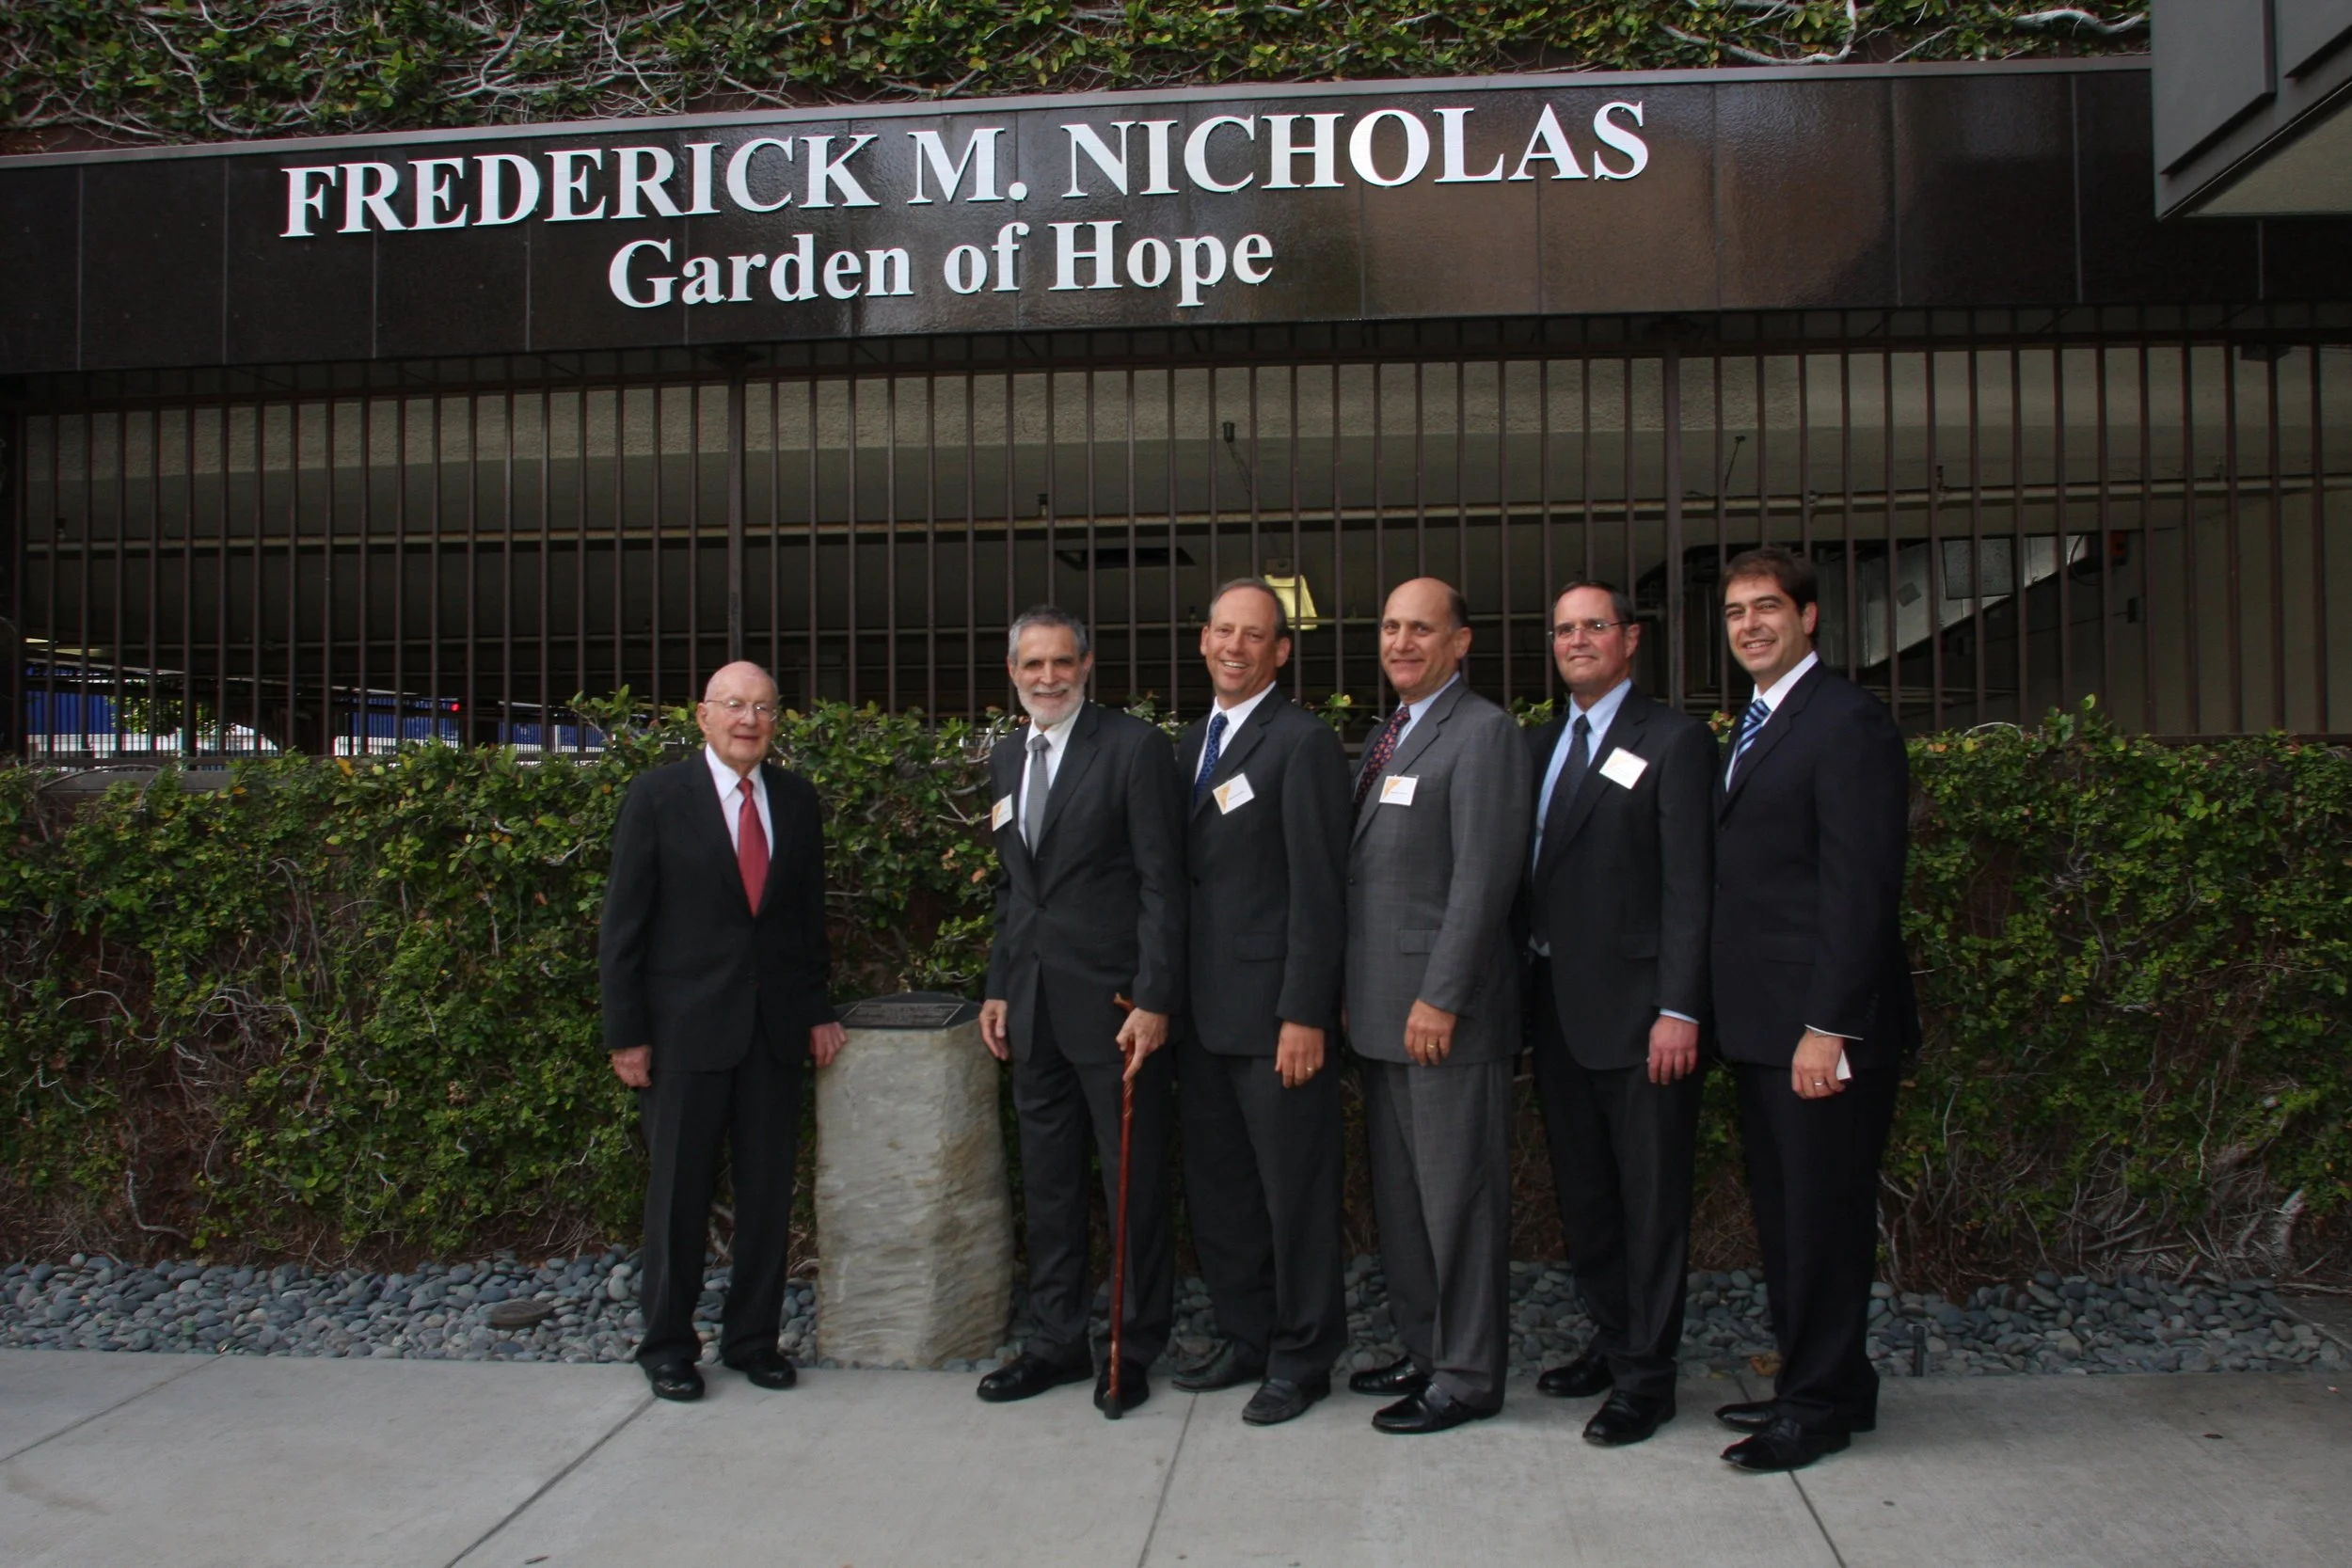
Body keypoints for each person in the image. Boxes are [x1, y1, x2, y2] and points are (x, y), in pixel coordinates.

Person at [1709, 545, 1917, 1473]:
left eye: (1766, 607)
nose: (1749, 624)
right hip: (1764, 1025)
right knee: (1791, 1216)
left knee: (1822, 1222)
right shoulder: (1754, 723)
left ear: (1808, 617)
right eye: (1734, 612)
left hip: (1820, 1032)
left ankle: (1814, 1408)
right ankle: (1827, 1380)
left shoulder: (1846, 721)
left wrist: (1825, 1026)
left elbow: (1859, 890)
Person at [599, 660, 846, 1402]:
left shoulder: (798, 801)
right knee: (677, 1196)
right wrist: (627, 1034)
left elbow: (805, 922)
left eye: (764, 707)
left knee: (769, 1195)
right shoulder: (657, 797)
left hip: (771, 1034)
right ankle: (669, 1345)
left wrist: (818, 1008)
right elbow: (624, 926)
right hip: (683, 1035)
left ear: (777, 721)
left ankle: (753, 1339)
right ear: (703, 716)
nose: (750, 719)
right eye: (735, 705)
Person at [975, 605, 1187, 1415]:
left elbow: (1164, 885)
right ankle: (1056, 1341)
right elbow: (1016, 891)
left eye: (1062, 663)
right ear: (1013, 672)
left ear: (1086, 664)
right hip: (1032, 1012)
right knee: (1053, 1185)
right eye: (1033, 665)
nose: (1048, 678)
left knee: (1132, 1181)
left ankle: (1130, 1348)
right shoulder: (1005, 755)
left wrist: (1157, 997)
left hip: (1116, 1009)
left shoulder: (1132, 749)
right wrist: (1000, 982)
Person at [1519, 581, 1715, 1447]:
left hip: (1643, 1020)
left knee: (1649, 1201)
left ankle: (1648, 1378)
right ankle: (1611, 1339)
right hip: (1556, 1013)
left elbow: (1690, 889)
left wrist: (1680, 1006)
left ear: (1631, 639)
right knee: (1589, 1198)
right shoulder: (1540, 744)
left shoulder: (1673, 740)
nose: (1578, 640)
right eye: (1564, 629)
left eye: (1594, 625)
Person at [1343, 578, 1532, 1434]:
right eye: (1390, 627)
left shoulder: (1484, 733)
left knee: (1458, 1201)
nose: (1402, 642)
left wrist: (1441, 995)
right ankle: (1424, 1347)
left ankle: (1467, 1374)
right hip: (1382, 1016)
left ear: (1461, 642)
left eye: (1422, 628)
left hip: (1441, 1019)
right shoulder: (1392, 732)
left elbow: (1483, 880)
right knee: (1407, 1201)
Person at [1171, 578, 1353, 1427]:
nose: (1237, 647)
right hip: (1200, 1017)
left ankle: (1303, 1354)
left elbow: (1320, 889)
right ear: (1203, 640)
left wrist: (1306, 1012)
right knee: (1223, 1191)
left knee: (1296, 1194)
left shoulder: (1302, 742)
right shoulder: (1183, 746)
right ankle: (1248, 1335)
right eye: (1224, 632)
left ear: (1282, 651)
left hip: (1277, 1017)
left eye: (1257, 636)